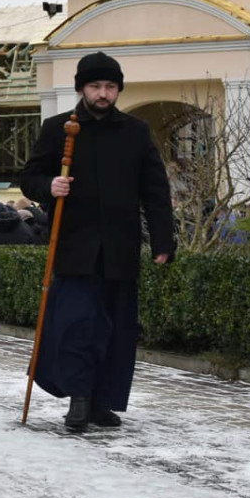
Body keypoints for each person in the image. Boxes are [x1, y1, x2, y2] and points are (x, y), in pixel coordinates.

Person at [20, 51, 175, 431]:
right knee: (78, 325)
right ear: (81, 89)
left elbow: (155, 190)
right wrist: (49, 186)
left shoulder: (136, 132)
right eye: (95, 86)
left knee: (116, 329)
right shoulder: (60, 129)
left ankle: (102, 401)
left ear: (118, 89)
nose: (103, 94)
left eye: (110, 86)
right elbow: (30, 176)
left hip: (119, 249)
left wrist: (162, 241)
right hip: (75, 248)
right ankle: (79, 398)